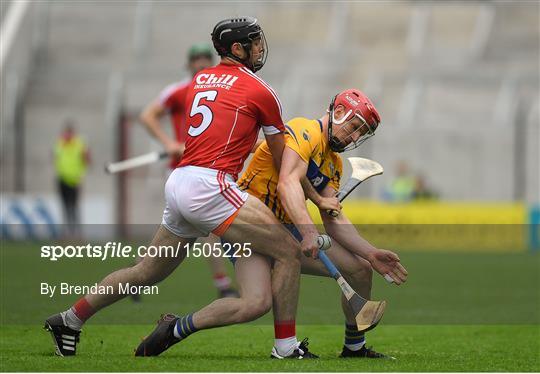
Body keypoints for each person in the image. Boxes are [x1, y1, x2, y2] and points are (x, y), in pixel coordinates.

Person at [45, 16, 337, 358]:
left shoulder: (200, 79)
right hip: (211, 185)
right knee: (288, 251)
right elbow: (282, 161)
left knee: (146, 272)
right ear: (238, 49)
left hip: (181, 181)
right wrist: (315, 196)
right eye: (255, 42)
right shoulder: (260, 90)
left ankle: (70, 318)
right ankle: (286, 347)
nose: (260, 48)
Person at [135, 89, 408, 359]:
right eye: (354, 127)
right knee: (256, 301)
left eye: (362, 133)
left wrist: (370, 253)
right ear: (338, 113)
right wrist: (308, 231)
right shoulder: (304, 131)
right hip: (244, 225)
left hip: (284, 232)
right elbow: (288, 182)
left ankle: (354, 348)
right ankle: (184, 329)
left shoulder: (333, 163)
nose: (355, 137)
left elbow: (334, 220)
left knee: (358, 268)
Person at [139, 43, 238, 299]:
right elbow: (148, 115)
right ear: (189, 63)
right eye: (197, 59)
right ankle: (223, 285)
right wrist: (170, 144)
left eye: (206, 58)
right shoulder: (177, 90)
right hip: (182, 171)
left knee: (178, 234)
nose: (202, 63)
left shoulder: (221, 88)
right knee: (206, 232)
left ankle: (137, 275)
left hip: (207, 169)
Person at [53, 120, 91, 235]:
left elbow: (87, 159)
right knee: (65, 207)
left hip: (75, 180)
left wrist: (82, 174)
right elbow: (56, 157)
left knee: (73, 207)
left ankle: (76, 232)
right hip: (62, 178)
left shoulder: (79, 143)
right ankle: (67, 232)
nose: (67, 135)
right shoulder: (60, 143)